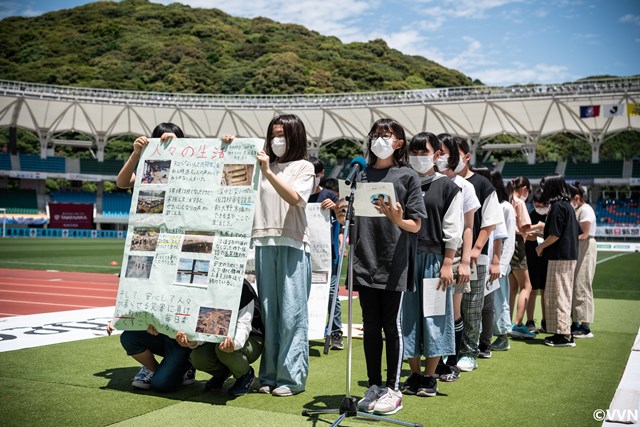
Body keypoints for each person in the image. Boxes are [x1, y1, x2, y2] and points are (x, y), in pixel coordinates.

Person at [352, 118, 426, 415]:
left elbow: (416, 224)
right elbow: (354, 214)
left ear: (399, 142)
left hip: (394, 261)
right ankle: (374, 384)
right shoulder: (361, 174)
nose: (380, 139)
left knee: (390, 325)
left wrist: (396, 219)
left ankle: (394, 389)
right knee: (370, 326)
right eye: (376, 134)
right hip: (364, 258)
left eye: (386, 135)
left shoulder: (407, 176)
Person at [251, 114, 315, 396]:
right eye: (273, 134)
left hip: (293, 244)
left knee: (292, 313)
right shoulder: (262, 165)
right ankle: (268, 374)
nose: (277, 140)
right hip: (265, 242)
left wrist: (267, 173)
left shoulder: (304, 167)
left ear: (295, 137)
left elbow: (295, 198)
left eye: (283, 135)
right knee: (269, 314)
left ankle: (291, 378)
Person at [401, 132, 462, 397]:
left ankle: (429, 377)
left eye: (423, 152)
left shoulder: (448, 187)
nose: (418, 157)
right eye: (413, 152)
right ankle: (414, 374)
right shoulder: (403, 181)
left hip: (435, 260)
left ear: (437, 155)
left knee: (435, 317)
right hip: (405, 259)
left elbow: (453, 228)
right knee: (409, 318)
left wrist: (448, 262)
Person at [455, 137, 503, 372]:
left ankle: (469, 352)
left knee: (472, 306)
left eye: (453, 153)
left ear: (466, 156)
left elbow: (490, 222)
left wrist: (476, 249)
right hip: (446, 254)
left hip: (476, 256)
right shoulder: (442, 180)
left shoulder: (482, 184)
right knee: (448, 307)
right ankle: (449, 349)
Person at [434, 134, 479, 381]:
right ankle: (434, 360)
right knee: (432, 309)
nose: (438, 157)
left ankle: (451, 361)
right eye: (436, 152)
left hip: (457, 253)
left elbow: (469, 226)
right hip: (430, 252)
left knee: (454, 310)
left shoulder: (465, 186)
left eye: (442, 152)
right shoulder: (426, 181)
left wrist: (464, 262)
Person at [175, 279, 264, 396]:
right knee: (198, 357)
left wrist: (234, 344)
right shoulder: (204, 285)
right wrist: (191, 342)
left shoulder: (243, 287)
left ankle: (245, 375)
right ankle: (222, 373)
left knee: (224, 351)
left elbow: (244, 325)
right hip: (216, 336)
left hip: (251, 338)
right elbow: (204, 325)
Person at [536, 175, 580, 347]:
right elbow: (572, 231)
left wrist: (541, 246)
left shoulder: (556, 207)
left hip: (559, 256)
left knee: (559, 294)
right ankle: (562, 332)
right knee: (561, 293)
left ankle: (564, 334)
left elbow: (555, 235)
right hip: (568, 255)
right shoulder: (568, 206)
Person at [308, 157, 344, 350]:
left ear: (321, 174)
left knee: (331, 293)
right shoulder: (299, 194)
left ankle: (336, 332)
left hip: (328, 256)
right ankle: (308, 329)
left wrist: (336, 207)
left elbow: (345, 218)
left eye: (314, 175)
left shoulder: (330, 195)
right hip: (304, 254)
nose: (310, 178)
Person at [470, 166, 506, 360]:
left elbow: (499, 236)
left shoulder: (494, 203)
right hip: (474, 259)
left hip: (488, 259)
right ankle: (472, 342)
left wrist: (496, 262)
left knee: (487, 305)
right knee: (471, 304)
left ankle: (485, 343)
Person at [106, 323, 195, 392]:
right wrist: (119, 319)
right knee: (128, 337)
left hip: (184, 341)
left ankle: (188, 364)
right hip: (162, 333)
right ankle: (153, 370)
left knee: (161, 384)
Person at [489, 170, 516, 351]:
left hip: (499, 263)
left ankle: (504, 336)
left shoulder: (505, 207)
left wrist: (502, 264)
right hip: (490, 261)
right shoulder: (493, 204)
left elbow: (509, 238)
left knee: (500, 299)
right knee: (490, 302)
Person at [116, 122, 184, 189]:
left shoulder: (186, 164)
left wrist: (178, 147)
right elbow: (122, 183)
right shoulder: (148, 166)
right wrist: (136, 153)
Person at [569, 182, 597, 338]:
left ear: (577, 197)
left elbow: (584, 234)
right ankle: (576, 321)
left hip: (585, 246)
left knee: (582, 284)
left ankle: (585, 326)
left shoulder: (586, 210)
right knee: (575, 284)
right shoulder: (578, 209)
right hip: (578, 246)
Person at [525, 189, 549, 333]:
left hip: (547, 257)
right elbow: (524, 233)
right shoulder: (530, 216)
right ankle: (530, 321)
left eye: (542, 205)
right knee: (532, 290)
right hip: (532, 255)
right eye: (537, 205)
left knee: (546, 291)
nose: (540, 208)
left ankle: (546, 320)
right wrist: (531, 236)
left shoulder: (551, 215)